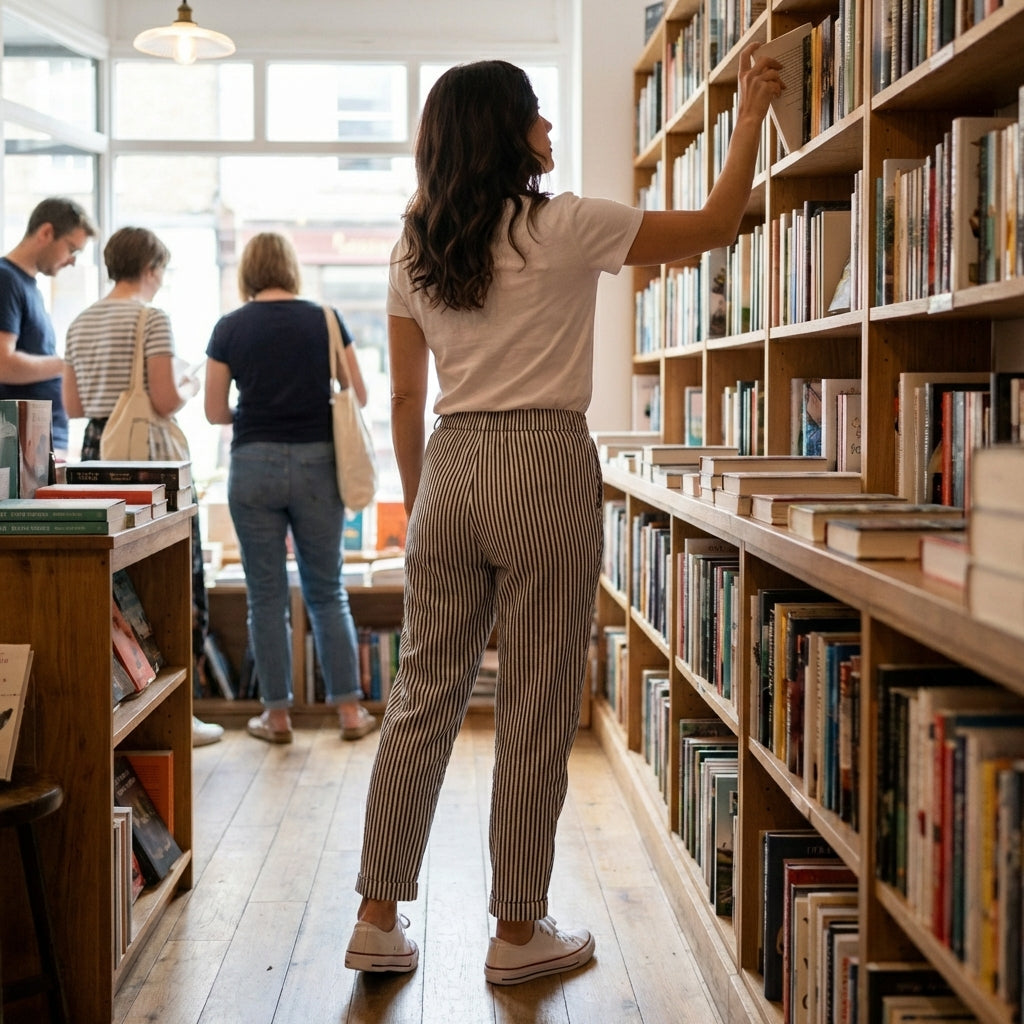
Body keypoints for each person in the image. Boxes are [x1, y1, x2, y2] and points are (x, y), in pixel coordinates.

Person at [344, 49, 782, 985]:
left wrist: (424, 506)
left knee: (423, 696)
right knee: (539, 702)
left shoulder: (412, 247)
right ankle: (516, 933)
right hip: (545, 458)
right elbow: (713, 224)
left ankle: (377, 919)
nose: (549, 131)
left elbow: (405, 399)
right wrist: (746, 115)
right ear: (507, 133)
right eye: (537, 117)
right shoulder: (568, 224)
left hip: (453, 462)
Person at [203, 231, 375, 745]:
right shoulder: (324, 318)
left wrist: (257, 414)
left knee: (266, 596)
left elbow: (214, 412)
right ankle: (348, 712)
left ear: (249, 273)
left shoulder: (229, 327)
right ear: (291, 269)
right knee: (327, 591)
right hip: (319, 464)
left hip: (252, 464)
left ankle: (276, 718)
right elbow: (358, 394)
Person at [62, 225, 223, 748]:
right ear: (152, 268)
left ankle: (119, 703)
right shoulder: (152, 318)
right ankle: (181, 712)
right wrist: (189, 386)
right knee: (176, 573)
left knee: (113, 583)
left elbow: (74, 406)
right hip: (146, 461)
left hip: (95, 453)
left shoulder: (80, 321)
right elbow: (163, 397)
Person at [0, 196, 97, 459]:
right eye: (71, 249)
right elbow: (3, 364)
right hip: (21, 445)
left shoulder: (28, 285)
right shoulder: (5, 279)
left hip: (38, 440)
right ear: (46, 232)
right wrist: (66, 363)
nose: (72, 260)